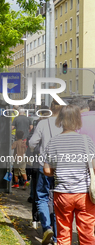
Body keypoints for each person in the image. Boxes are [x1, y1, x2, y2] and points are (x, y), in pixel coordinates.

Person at [43, 105, 95, 245]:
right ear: (78, 120)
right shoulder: (86, 141)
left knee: (63, 233)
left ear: (60, 119)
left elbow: (47, 171)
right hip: (84, 195)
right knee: (87, 234)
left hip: (62, 194)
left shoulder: (53, 142)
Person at [29, 100, 63, 245]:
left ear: (50, 108)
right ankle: (57, 237)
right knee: (57, 200)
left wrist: (34, 151)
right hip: (62, 167)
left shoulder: (43, 123)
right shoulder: (65, 124)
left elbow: (32, 143)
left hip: (45, 166)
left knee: (42, 197)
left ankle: (46, 227)